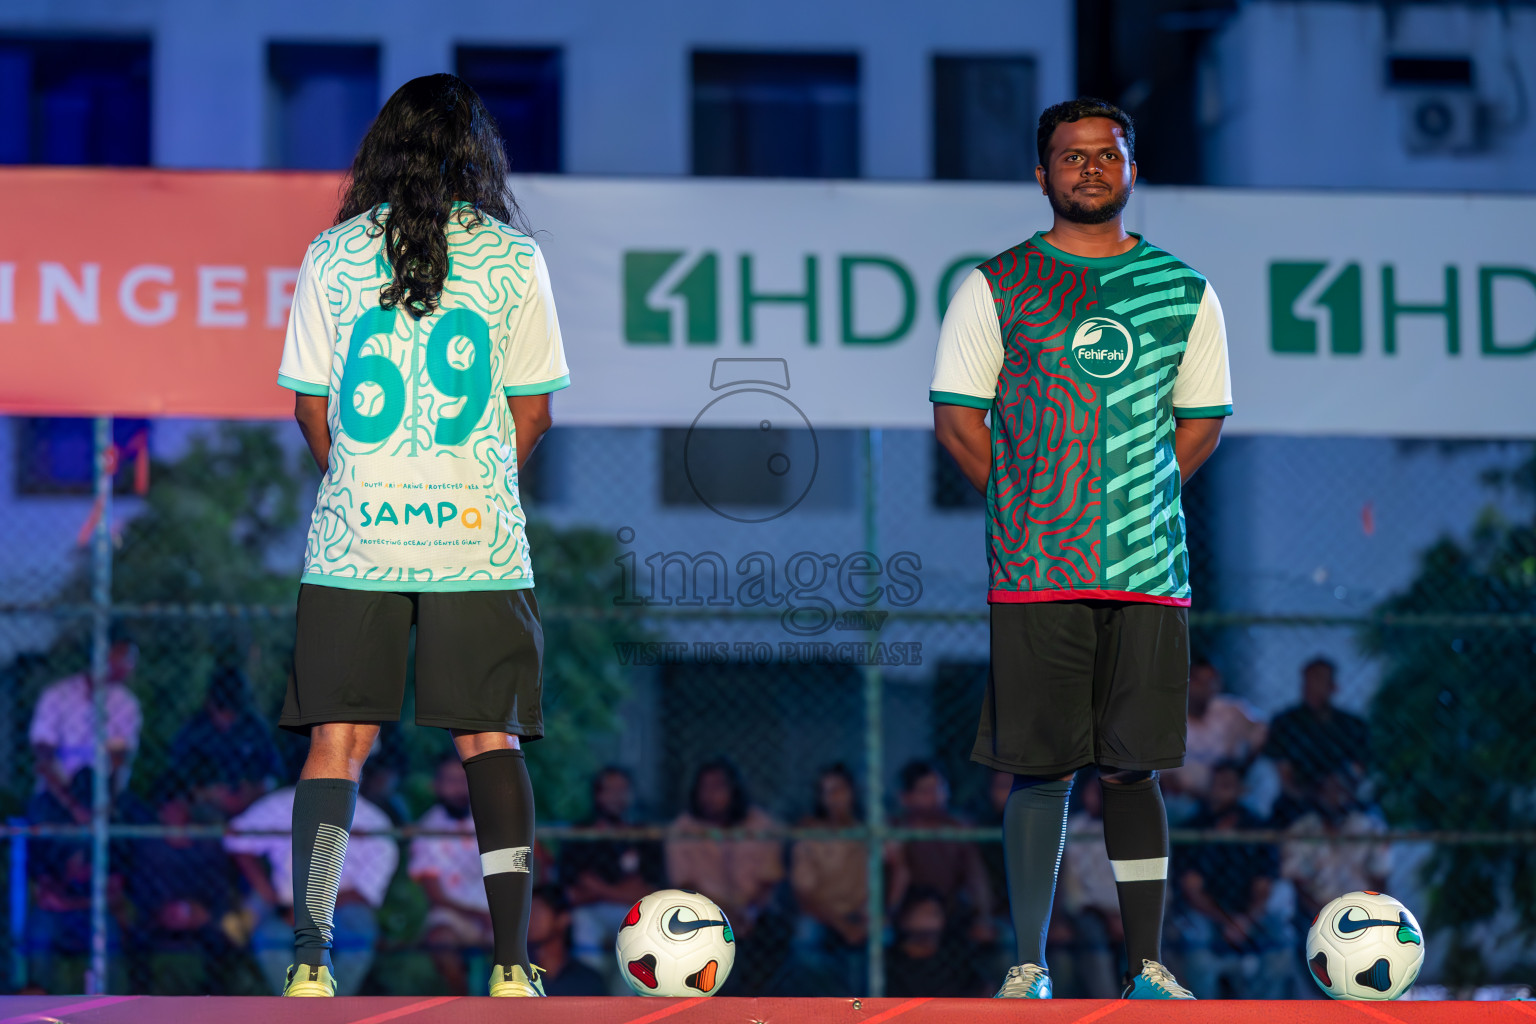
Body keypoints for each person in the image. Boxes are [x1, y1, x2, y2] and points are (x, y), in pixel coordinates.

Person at [272, 73, 569, 998]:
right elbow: (535, 415)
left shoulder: (332, 253)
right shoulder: (514, 257)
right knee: (490, 741)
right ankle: (514, 964)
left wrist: (367, 482)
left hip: (357, 537)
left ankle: (312, 961)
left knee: (339, 740)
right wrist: (465, 483)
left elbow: (309, 408)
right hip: (476, 540)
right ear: (477, 154)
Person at [930, 97, 1232, 1000]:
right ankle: (1028, 965)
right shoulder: (997, 285)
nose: (1091, 169)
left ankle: (1147, 969)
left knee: (1132, 765)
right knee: (1042, 765)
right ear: (1042, 174)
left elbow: (1202, 425)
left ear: (1132, 169)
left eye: (1108, 155)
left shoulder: (1185, 290)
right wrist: (1031, 505)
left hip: (1147, 575)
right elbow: (956, 420)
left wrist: (1130, 506)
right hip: (1037, 574)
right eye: (1072, 157)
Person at [225, 784, 397, 996]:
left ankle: (332, 1012)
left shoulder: (372, 821)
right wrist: (265, 889)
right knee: (268, 937)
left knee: (359, 935)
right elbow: (235, 836)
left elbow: (366, 892)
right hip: (286, 904)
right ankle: (297, 1010)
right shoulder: (283, 804)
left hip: (341, 907)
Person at [1172, 762, 1292, 999]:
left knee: (1282, 942)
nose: (1219, 792)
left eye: (1227, 786)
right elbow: (1192, 890)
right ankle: (1206, 1015)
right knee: (1195, 945)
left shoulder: (1257, 829)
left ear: (1240, 791)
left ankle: (1259, 1014)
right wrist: (1227, 920)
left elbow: (1263, 886)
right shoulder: (1193, 828)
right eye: (1215, 785)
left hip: (1246, 914)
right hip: (1207, 914)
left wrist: (1245, 920)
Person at [123, 782, 238, 994]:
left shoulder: (206, 845)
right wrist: (160, 913)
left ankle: (214, 1001)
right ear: (160, 813)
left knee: (222, 937)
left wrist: (203, 913)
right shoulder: (149, 848)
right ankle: (142, 1002)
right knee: (138, 939)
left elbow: (221, 887)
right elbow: (139, 891)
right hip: (158, 916)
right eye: (169, 807)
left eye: (180, 806)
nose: (175, 813)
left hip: (201, 914)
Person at [559, 766, 665, 982]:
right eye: (610, 790)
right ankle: (589, 996)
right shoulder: (581, 834)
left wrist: (599, 889)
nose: (617, 797)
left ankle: (628, 1007)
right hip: (590, 912)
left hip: (632, 912)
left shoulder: (644, 834)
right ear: (597, 794)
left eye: (623, 790)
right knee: (582, 923)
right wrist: (623, 890)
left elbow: (650, 893)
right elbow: (573, 892)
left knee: (639, 930)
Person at [665, 759, 784, 938]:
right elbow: (684, 884)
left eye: (718, 787)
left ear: (734, 790)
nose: (710, 795)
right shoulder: (683, 829)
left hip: (753, 912)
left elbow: (769, 880)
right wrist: (724, 913)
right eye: (704, 788)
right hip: (701, 912)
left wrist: (747, 913)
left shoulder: (761, 825)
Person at [886, 761, 992, 946]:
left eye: (940, 789)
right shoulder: (896, 830)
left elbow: (975, 878)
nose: (935, 796)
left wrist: (982, 917)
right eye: (925, 790)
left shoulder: (959, 829)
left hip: (950, 910)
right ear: (907, 797)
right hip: (905, 910)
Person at [409, 756, 490, 996]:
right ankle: (465, 1007)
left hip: (501, 912)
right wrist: (478, 915)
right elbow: (435, 894)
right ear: (436, 786)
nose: (459, 787)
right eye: (450, 780)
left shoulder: (496, 818)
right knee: (440, 939)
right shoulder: (427, 828)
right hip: (453, 914)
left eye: (464, 779)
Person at [789, 763, 873, 995]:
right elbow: (804, 894)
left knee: (886, 938)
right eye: (827, 791)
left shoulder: (870, 830)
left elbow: (896, 870)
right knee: (805, 940)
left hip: (863, 912)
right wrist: (842, 925)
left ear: (853, 792)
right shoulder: (809, 834)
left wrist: (878, 914)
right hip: (824, 913)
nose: (834, 798)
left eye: (840, 789)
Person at [30, 632, 142, 801]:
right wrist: (72, 804)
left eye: (131, 660)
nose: (128, 666)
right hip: (59, 791)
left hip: (104, 789)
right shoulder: (58, 695)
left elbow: (118, 756)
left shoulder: (126, 704)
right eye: (122, 658)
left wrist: (105, 805)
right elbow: (44, 754)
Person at [1280, 770, 1392, 936]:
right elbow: (1298, 885)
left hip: (1362, 907)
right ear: (1318, 794)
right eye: (1328, 791)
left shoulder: (1370, 828)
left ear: (1351, 794)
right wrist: (1328, 917)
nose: (1335, 798)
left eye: (1341, 790)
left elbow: (1380, 879)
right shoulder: (1301, 831)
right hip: (1316, 910)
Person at [167, 665, 283, 819]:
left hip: (251, 806)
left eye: (234, 711)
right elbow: (178, 780)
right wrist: (210, 794)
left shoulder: (254, 728)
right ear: (210, 703)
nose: (228, 718)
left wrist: (246, 795)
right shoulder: (195, 731)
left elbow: (270, 776)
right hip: (206, 805)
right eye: (222, 710)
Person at [1264, 658, 1370, 826]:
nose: (1312, 687)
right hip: (1299, 801)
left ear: (1333, 687)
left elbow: (1359, 770)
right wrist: (1313, 794)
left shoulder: (1353, 726)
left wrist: (1338, 793)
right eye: (1308, 681)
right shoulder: (1284, 724)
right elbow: (1284, 775)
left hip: (1343, 799)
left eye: (1319, 681)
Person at [1161, 659, 1267, 816]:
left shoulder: (1231, 711)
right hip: (1183, 798)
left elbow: (1261, 733)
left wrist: (1242, 769)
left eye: (1210, 681)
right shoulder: (1165, 717)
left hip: (1228, 795)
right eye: (1199, 681)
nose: (1205, 688)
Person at [883, 887, 987, 998]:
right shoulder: (889, 962)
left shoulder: (955, 954)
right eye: (921, 911)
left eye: (934, 913)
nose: (928, 919)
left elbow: (983, 986)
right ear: (903, 918)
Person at [527, 885, 606, 996]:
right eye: (526, 913)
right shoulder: (511, 976)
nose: (529, 919)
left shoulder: (588, 981)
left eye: (537, 912)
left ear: (563, 919)